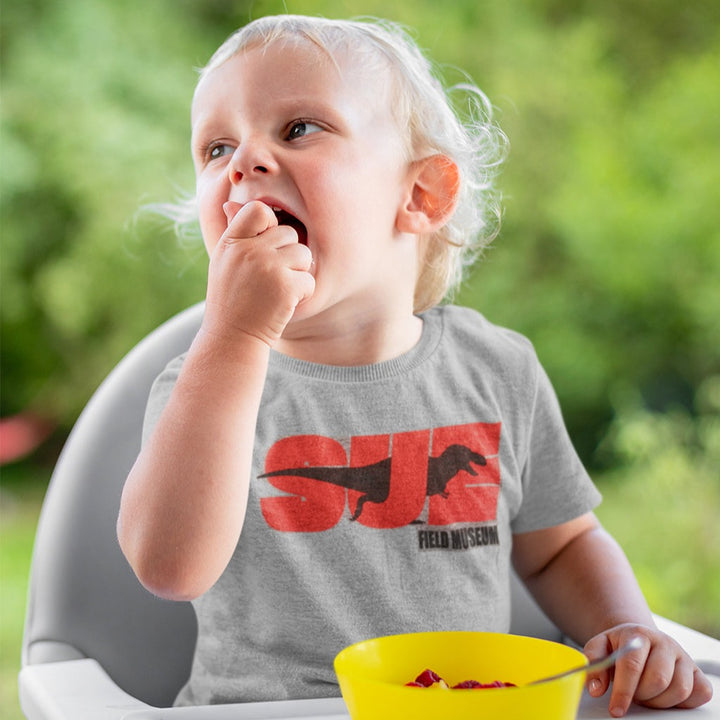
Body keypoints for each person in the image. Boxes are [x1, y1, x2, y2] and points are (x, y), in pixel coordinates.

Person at [116, 14, 712, 716]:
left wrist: (627, 631)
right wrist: (235, 337)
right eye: (216, 147)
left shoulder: (496, 370)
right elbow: (170, 566)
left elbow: (561, 547)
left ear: (421, 195)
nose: (243, 160)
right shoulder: (206, 385)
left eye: (299, 128)